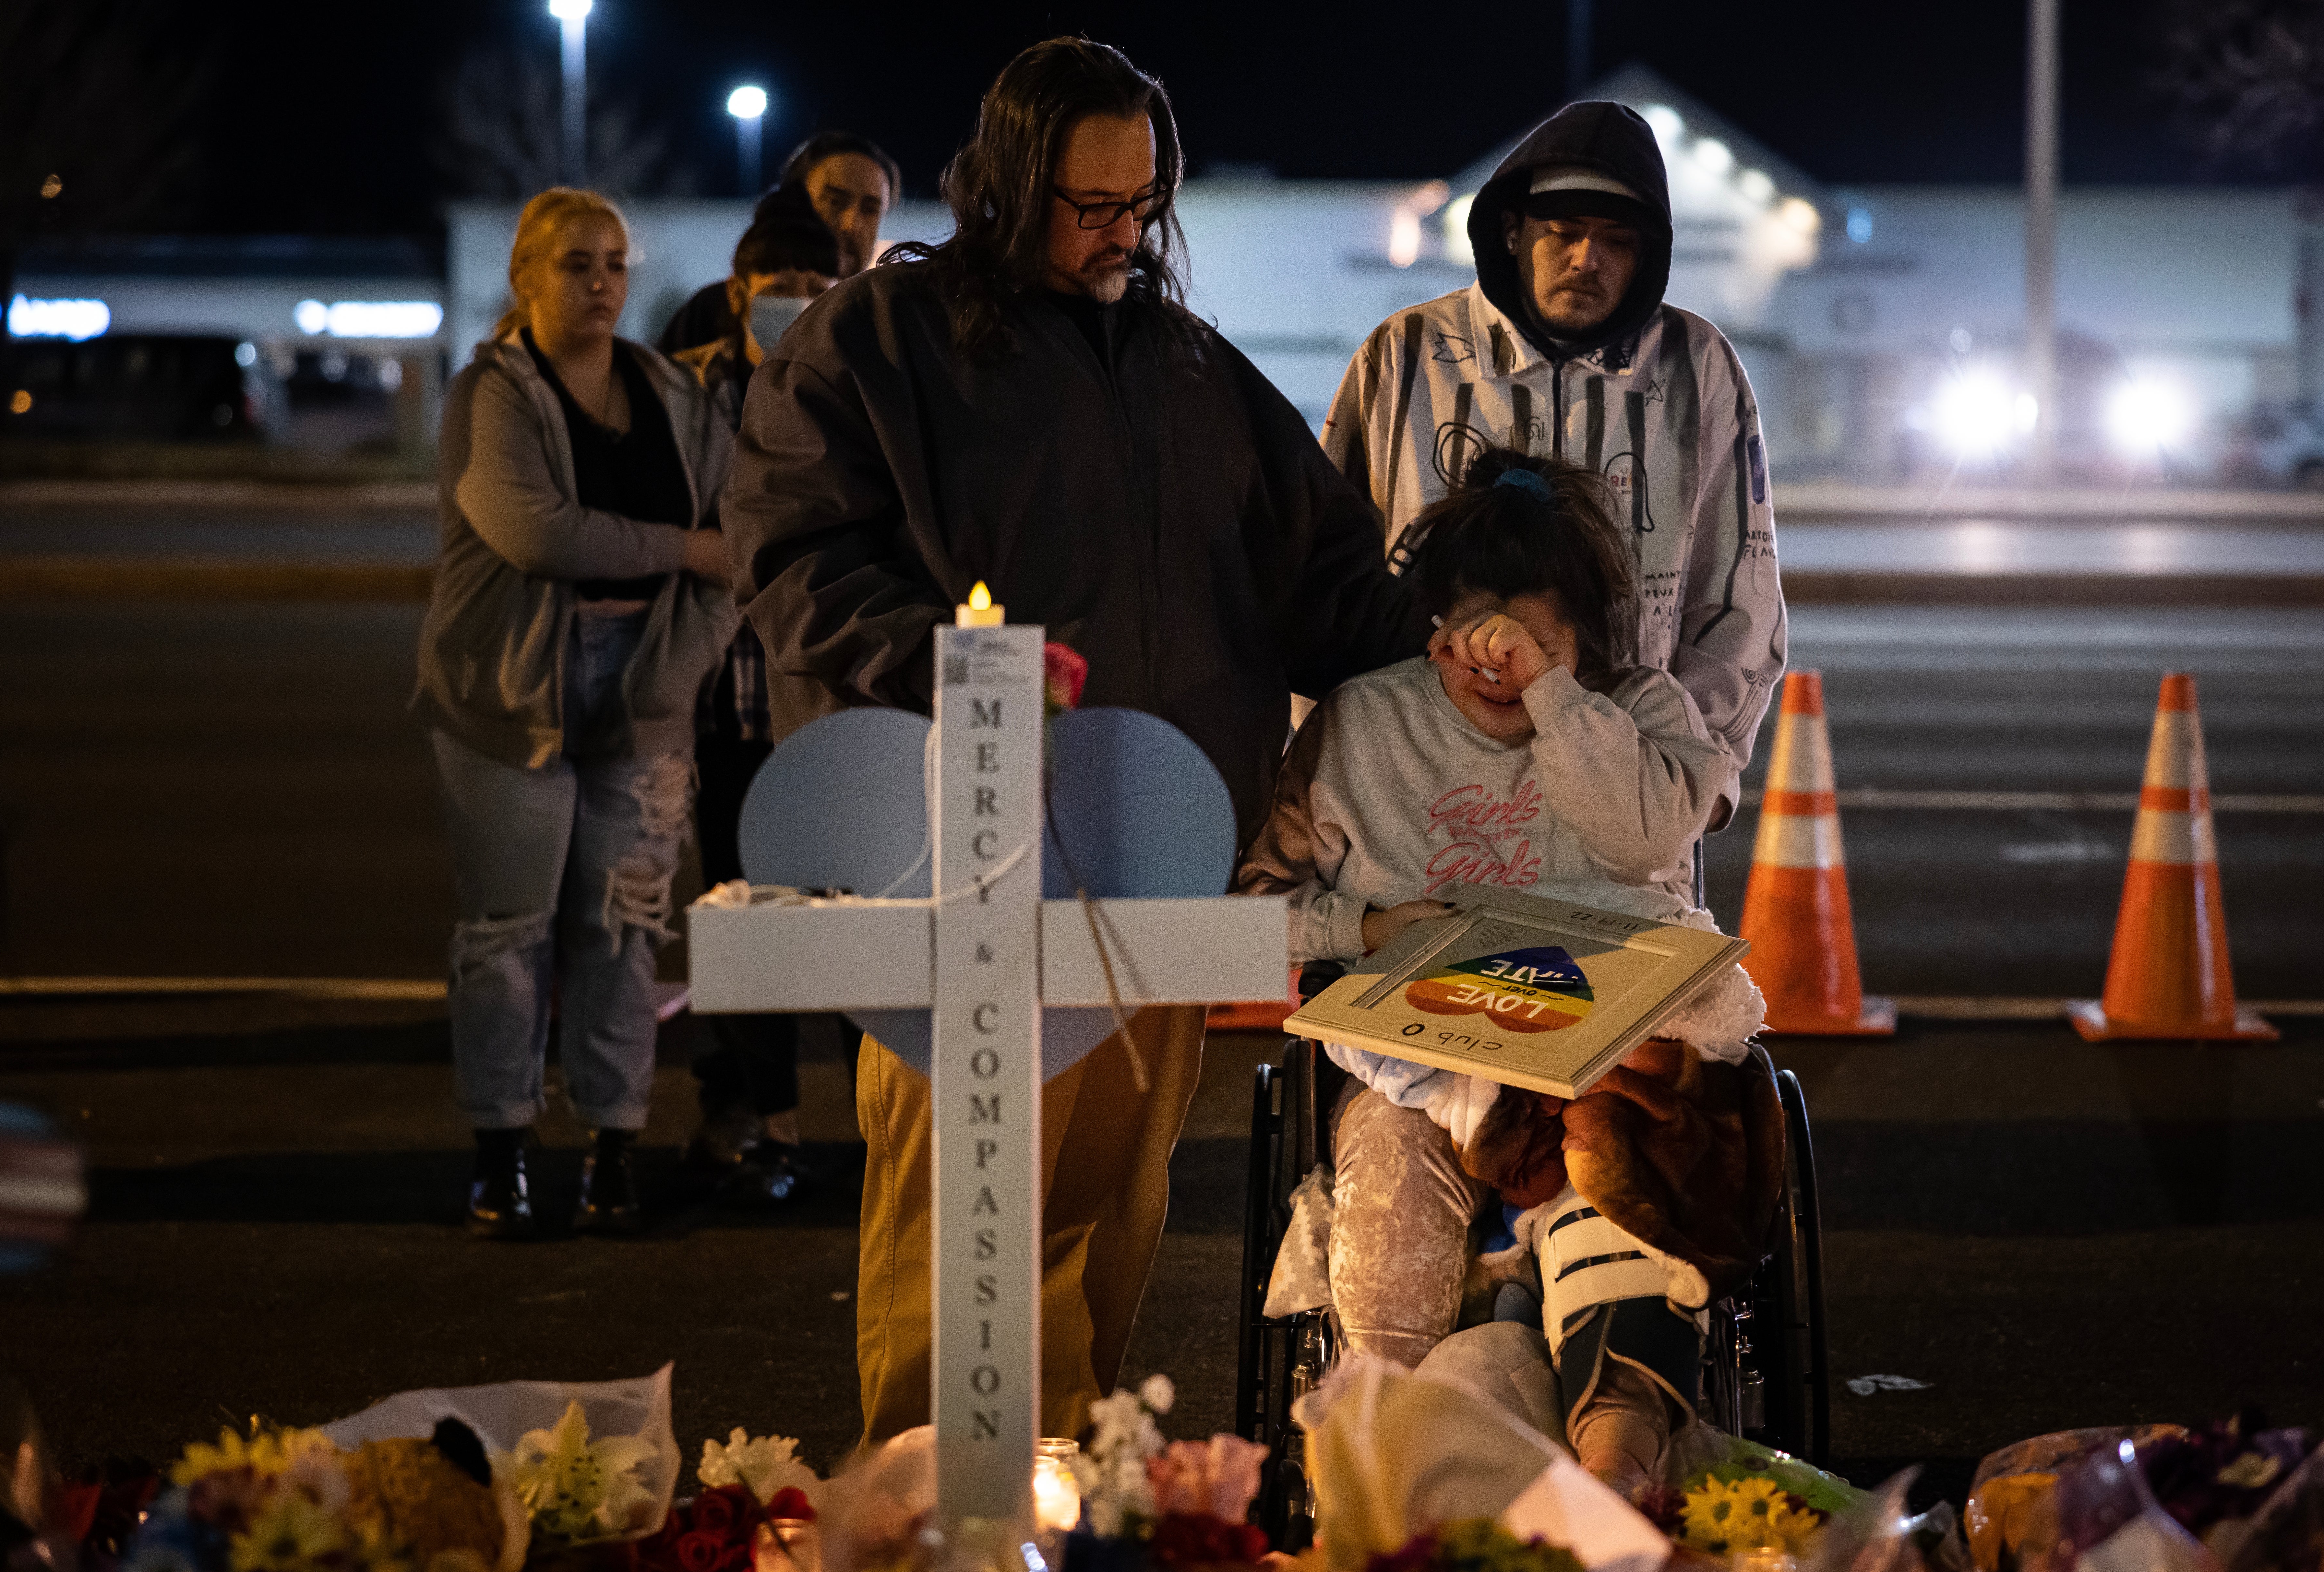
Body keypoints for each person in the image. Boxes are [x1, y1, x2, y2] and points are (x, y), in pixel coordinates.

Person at [723, 37, 1422, 1442]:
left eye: (1142, 205)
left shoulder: (1192, 372)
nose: (1121, 235)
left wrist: (1478, 622)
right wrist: (960, 664)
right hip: (958, 863)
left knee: (1109, 1210)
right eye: (1089, 205)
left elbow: (1329, 584)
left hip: (1161, 869)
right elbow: (793, 563)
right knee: (960, 1226)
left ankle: (1058, 1490)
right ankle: (926, 1508)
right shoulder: (878, 341)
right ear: (1003, 185)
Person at [1237, 446, 1780, 1494]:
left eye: (1529, 642)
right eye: (1464, 639)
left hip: (1604, 1056)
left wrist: (1558, 700)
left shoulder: (1643, 709)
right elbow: (1253, 911)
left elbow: (1630, 843)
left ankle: (1616, 1475)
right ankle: (1388, 1481)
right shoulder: (1362, 721)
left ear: (1582, 636)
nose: (1489, 667)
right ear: (1429, 626)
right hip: (1422, 1061)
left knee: (1618, 1149)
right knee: (1390, 1170)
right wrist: (1366, 923)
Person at [415, 187, 737, 1241]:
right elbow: (538, 533)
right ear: (524, 278)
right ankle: (500, 1151)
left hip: (642, 684)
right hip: (510, 693)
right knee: (507, 933)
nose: (599, 284)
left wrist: (678, 671)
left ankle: (612, 1147)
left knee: (620, 929)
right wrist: (680, 548)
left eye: (613, 265)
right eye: (574, 265)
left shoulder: (671, 393)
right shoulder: (491, 392)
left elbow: (737, 541)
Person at [1323, 100, 1786, 829]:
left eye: (1616, 241)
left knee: (1617, 948)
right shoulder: (1404, 356)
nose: (1586, 259)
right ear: (1512, 232)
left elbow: (1739, 596)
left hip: (1623, 785)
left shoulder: (1699, 370)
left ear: (1647, 254)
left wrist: (1689, 777)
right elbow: (1331, 577)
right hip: (1421, 790)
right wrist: (1335, 761)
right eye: (1563, 233)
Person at [673, 183, 844, 1199]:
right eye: (780, 282)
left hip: (823, 710)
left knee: (856, 918)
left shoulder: (854, 384)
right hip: (723, 702)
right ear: (740, 288)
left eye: (815, 282)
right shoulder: (691, 394)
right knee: (750, 916)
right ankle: (771, 1127)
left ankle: (883, 1124)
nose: (796, 298)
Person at [657, 131, 900, 355]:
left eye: (870, 210)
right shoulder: (711, 314)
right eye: (835, 202)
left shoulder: (886, 326)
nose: (852, 225)